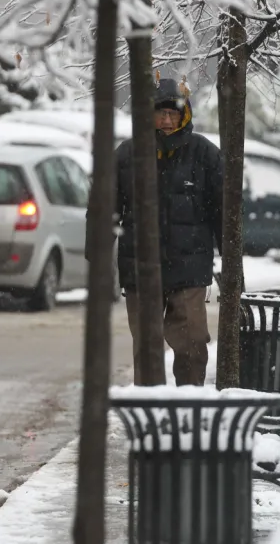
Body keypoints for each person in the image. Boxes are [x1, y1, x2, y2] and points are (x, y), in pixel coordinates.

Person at [105, 78, 223, 386]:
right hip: (140, 267)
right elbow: (106, 205)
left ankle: (188, 406)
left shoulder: (205, 155)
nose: (167, 120)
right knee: (147, 348)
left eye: (174, 113)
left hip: (189, 267)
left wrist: (232, 253)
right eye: (160, 113)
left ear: (185, 114)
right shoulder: (127, 155)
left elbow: (223, 210)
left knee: (193, 343)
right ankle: (150, 412)